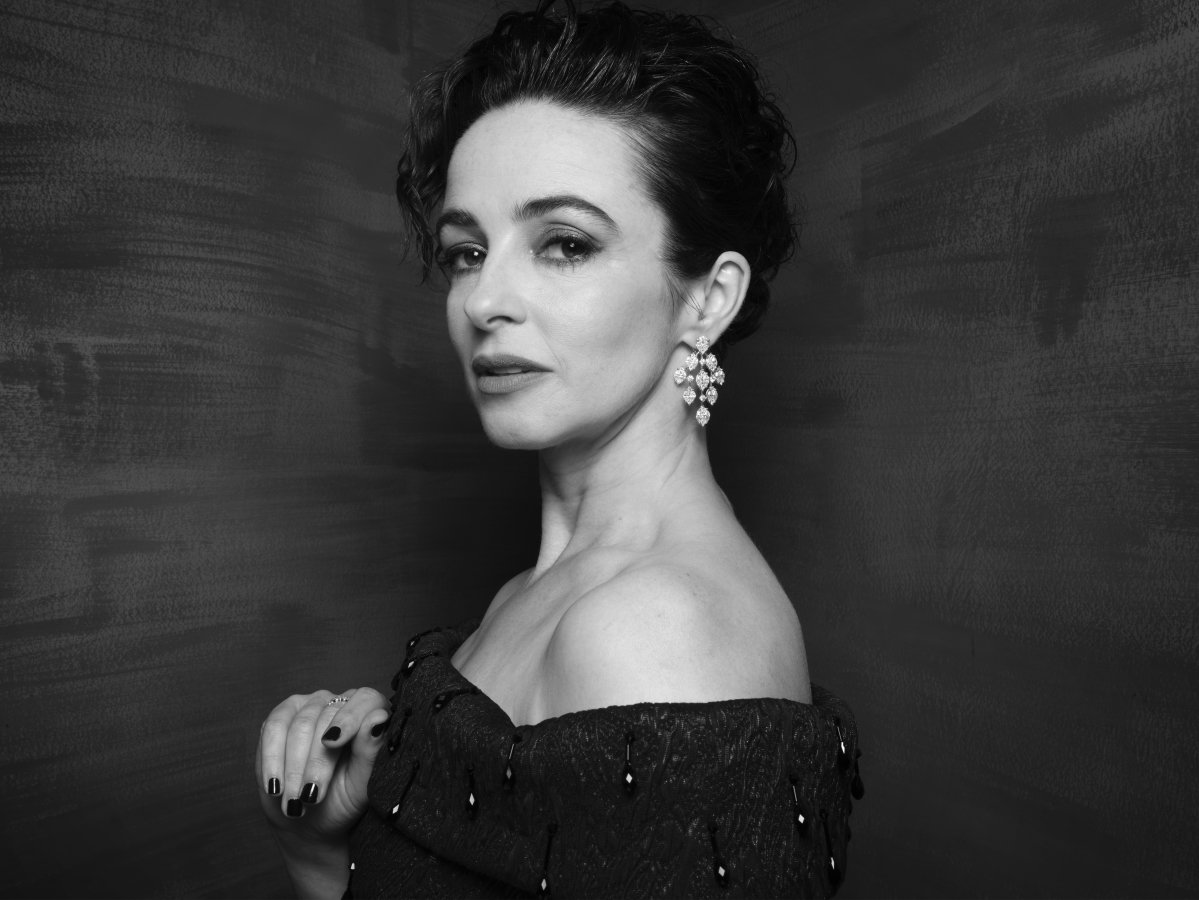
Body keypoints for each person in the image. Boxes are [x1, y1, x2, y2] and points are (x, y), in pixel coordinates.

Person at [256, 1, 863, 896]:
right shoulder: (534, 593)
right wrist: (316, 850)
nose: (482, 301)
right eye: (467, 251)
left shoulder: (655, 634)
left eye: (565, 244)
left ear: (707, 299)